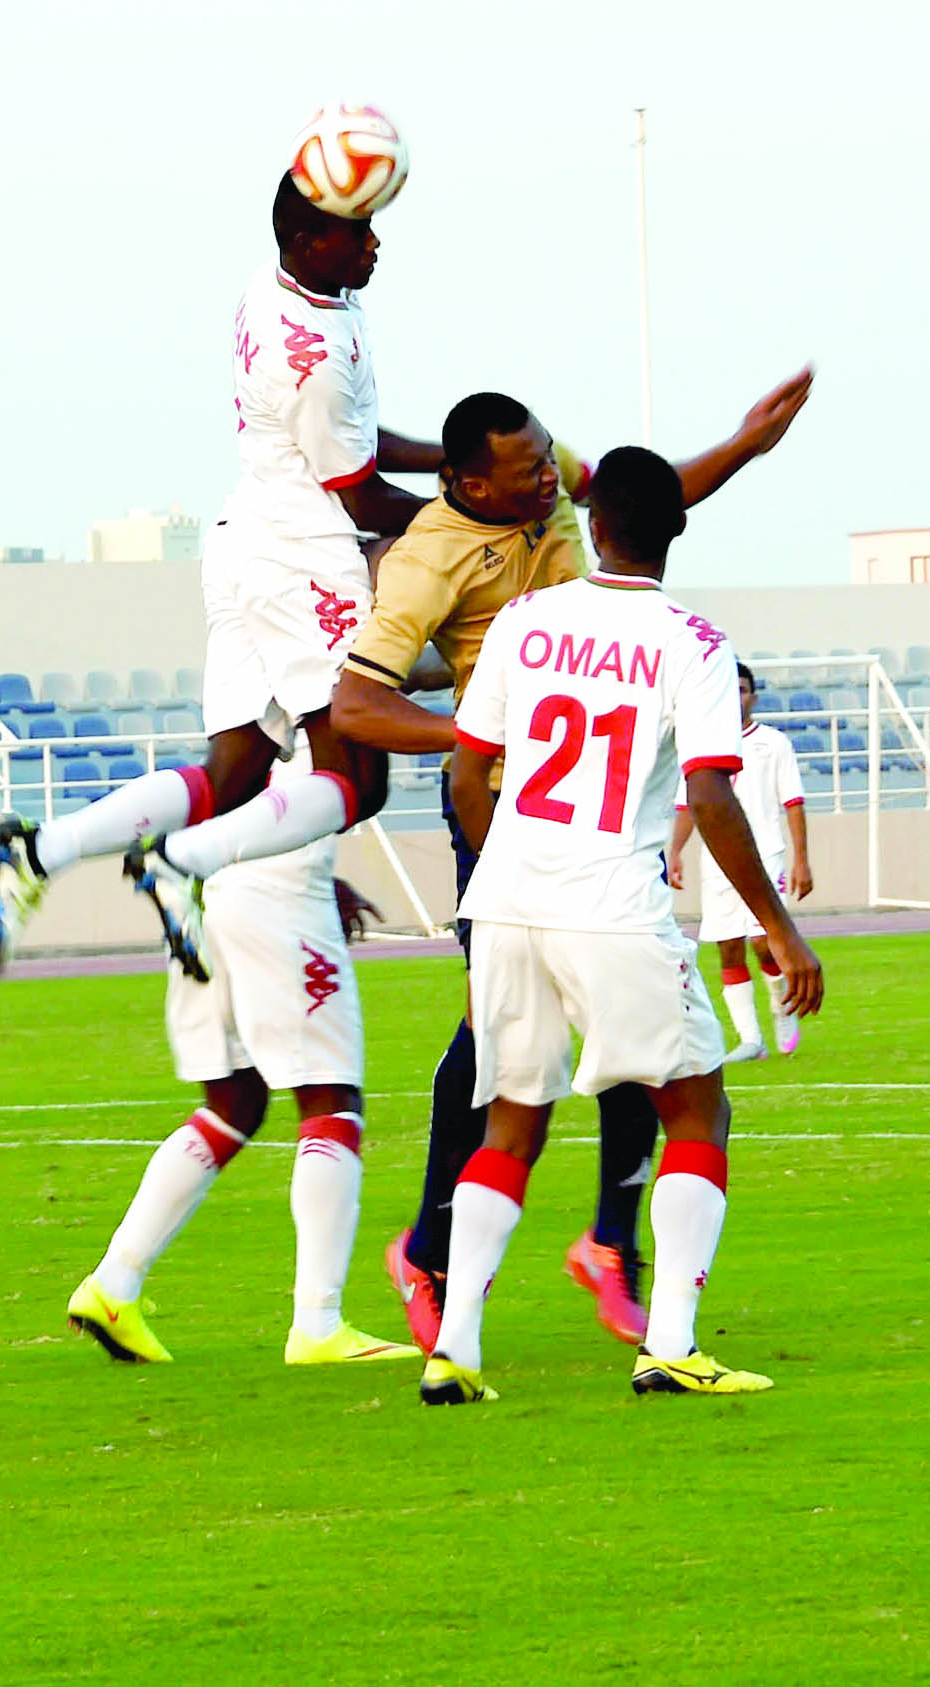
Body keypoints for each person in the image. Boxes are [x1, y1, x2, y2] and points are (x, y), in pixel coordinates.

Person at [328, 375, 814, 1351]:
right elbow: (353, 704)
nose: (552, 479)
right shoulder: (426, 561)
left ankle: (598, 1252)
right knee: (509, 1040)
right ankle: (431, 1250)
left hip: (579, 808)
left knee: (596, 1028)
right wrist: (485, 739)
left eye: (551, 461)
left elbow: (639, 497)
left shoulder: (557, 512)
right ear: (470, 483)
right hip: (508, 806)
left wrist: (741, 445)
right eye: (529, 472)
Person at [0, 151, 454, 981]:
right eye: (357, 230)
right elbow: (362, 498)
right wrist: (472, 515)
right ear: (306, 240)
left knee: (233, 772)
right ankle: (179, 861)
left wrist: (450, 459)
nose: (374, 244)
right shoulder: (311, 356)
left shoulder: (281, 289)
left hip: (245, 537)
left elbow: (350, 440)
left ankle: (38, 851)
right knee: (357, 779)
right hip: (300, 557)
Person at [65, 751, 418, 1367]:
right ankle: (318, 1324)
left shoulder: (253, 708)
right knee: (331, 1100)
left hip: (209, 888)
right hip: (280, 895)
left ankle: (113, 1285)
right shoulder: (334, 688)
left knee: (235, 1103)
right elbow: (366, 710)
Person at [667, 662, 811, 1060]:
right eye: (730, 689)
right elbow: (689, 805)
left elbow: (793, 803)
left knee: (765, 942)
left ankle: (782, 1009)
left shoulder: (773, 744)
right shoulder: (700, 741)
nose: (736, 697)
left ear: (754, 697)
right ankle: (751, 1040)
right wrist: (676, 850)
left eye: (743, 690)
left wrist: (802, 860)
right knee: (728, 947)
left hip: (766, 856)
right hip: (717, 862)